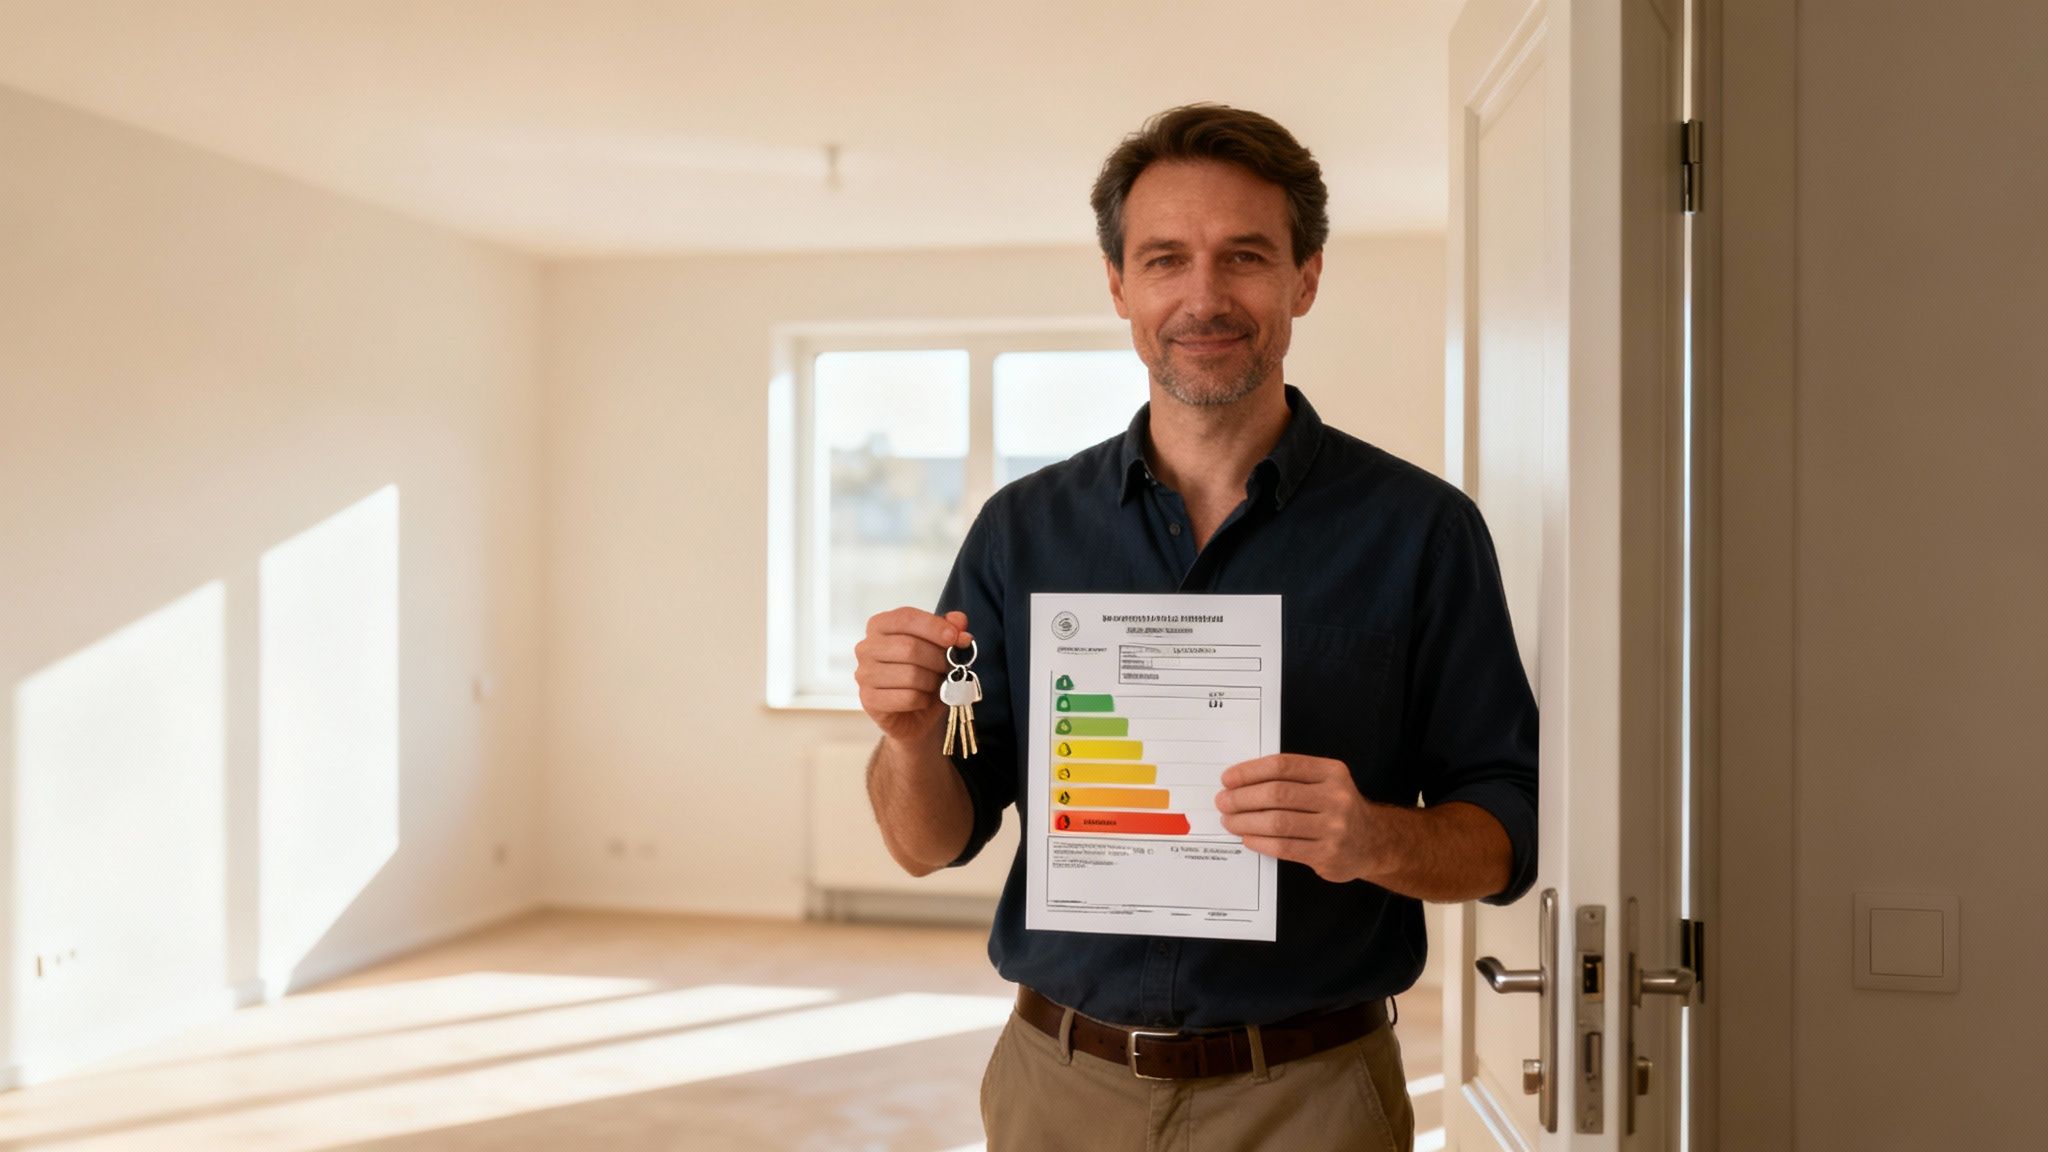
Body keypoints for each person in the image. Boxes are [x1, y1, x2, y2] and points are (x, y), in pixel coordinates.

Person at [854, 104, 1538, 1151]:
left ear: (1305, 278)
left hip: (1310, 1100)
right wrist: (908, 740)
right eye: (1165, 258)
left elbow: (1505, 827)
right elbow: (926, 843)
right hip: (1058, 1089)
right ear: (1119, 284)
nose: (1204, 296)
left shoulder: (1421, 531)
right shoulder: (1021, 531)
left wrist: (1373, 838)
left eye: (1245, 257)